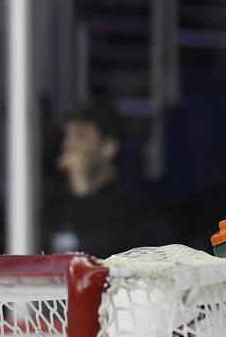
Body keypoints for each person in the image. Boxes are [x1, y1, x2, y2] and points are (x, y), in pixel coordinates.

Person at [45, 100, 156, 257]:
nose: (68, 145)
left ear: (108, 148)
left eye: (80, 136)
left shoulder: (131, 208)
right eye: (67, 137)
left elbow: (104, 254)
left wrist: (82, 190)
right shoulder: (53, 203)